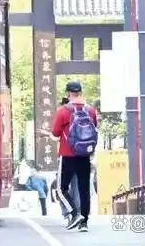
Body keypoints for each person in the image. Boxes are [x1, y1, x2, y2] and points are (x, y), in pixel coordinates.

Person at [51, 81, 98, 232]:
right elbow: (94, 128)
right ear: (80, 93)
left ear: (68, 93)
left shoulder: (63, 111)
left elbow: (55, 133)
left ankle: (74, 213)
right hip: (84, 155)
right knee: (84, 189)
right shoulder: (90, 110)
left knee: (61, 188)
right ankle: (84, 223)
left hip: (67, 154)